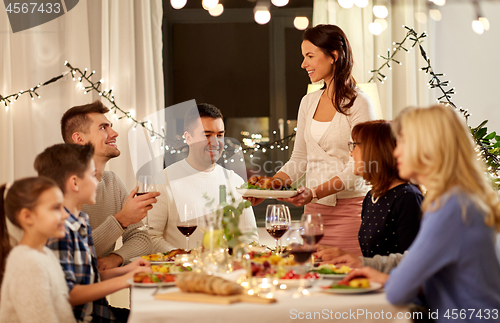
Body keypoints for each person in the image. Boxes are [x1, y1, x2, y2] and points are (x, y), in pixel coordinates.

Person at [341, 105, 500, 321]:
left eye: (403, 142)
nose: (396, 151)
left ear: (428, 147)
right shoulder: (460, 200)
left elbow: (399, 292)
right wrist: (378, 273)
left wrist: (385, 277)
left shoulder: (451, 208)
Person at [249, 24, 376, 256]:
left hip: (351, 212)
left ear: (334, 56)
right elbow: (299, 159)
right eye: (303, 57)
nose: (303, 64)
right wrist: (268, 189)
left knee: (345, 279)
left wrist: (314, 192)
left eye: (310, 56)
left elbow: (358, 167)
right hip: (313, 215)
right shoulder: (308, 102)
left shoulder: (360, 103)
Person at [34, 143, 151, 323]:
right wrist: (125, 280)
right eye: (93, 176)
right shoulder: (58, 230)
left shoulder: (80, 223)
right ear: (74, 182)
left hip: (100, 313)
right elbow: (68, 293)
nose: (98, 182)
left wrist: (127, 270)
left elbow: (90, 277)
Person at [60, 101, 160, 269]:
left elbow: (142, 238)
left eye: (110, 127)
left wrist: (116, 258)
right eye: (103, 128)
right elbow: (72, 252)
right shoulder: (58, 187)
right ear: (79, 139)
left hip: (99, 288)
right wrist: (121, 220)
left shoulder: (111, 181)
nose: (114, 133)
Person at [148, 103, 259, 251]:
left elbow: (250, 237)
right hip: (179, 271)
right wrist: (183, 258)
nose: (215, 142)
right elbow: (150, 237)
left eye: (220, 135)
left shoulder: (235, 181)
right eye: (207, 135)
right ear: (188, 138)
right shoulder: (162, 181)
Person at [0, 177, 76, 323]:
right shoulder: (26, 263)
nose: (66, 215)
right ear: (27, 217)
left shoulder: (46, 254)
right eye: (56, 208)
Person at [350, 120, 422, 257]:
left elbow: (415, 262)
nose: (351, 154)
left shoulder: (407, 198)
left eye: (355, 146)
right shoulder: (371, 197)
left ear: (373, 150)